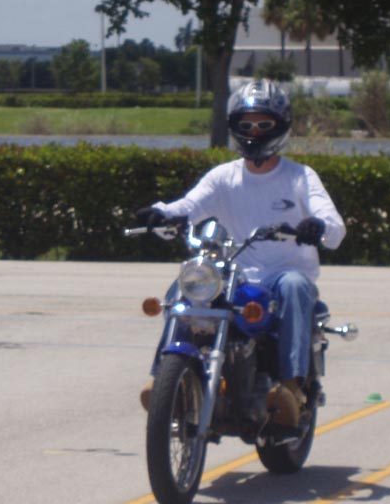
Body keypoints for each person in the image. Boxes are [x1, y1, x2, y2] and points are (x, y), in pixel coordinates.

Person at [136, 80, 346, 424]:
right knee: (187, 285)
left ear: (280, 126)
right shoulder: (223, 177)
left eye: (264, 123)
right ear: (234, 126)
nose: (254, 132)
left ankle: (291, 388)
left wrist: (318, 226)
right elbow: (189, 206)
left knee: (294, 285)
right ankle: (162, 377)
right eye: (246, 124)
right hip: (236, 276)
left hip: (283, 276)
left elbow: (334, 225)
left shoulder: (300, 177)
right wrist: (161, 213)